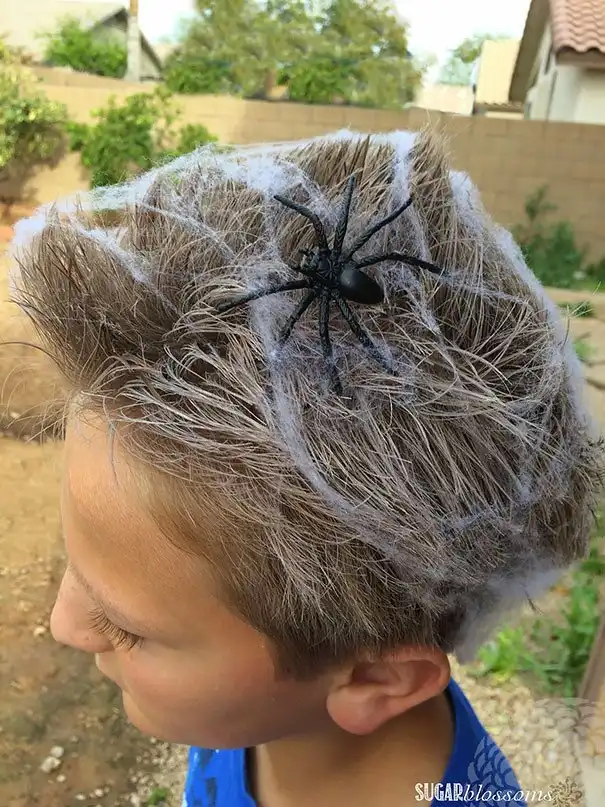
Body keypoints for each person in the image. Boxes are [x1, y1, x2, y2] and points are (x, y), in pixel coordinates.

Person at [10, 129, 603, 807]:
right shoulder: (247, 714)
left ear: (374, 680)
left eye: (129, 629)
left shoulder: (244, 704)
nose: (63, 624)